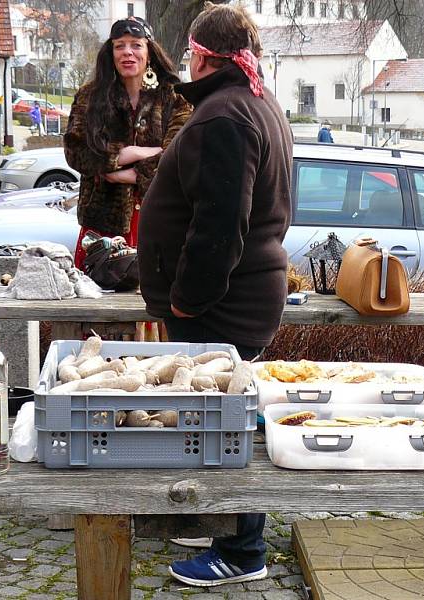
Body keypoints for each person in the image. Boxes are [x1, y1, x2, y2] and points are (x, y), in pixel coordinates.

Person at [138, 2, 292, 587]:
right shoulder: (254, 103)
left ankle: (243, 550)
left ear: (201, 54)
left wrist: (187, 299)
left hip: (221, 300)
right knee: (221, 419)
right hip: (242, 292)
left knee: (229, 420)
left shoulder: (223, 115)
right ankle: (223, 519)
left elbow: (220, 224)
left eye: (189, 54)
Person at [63, 16, 192, 269]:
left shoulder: (174, 97)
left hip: (158, 217)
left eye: (135, 45)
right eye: (119, 45)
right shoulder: (90, 96)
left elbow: (180, 154)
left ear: (149, 51)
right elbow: (76, 151)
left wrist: (128, 175)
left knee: (153, 298)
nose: (127, 53)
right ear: (110, 52)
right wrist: (126, 154)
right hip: (101, 225)